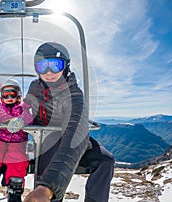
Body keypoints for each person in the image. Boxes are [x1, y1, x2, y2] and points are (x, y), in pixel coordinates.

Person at [23, 42, 115, 202]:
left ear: (65, 67)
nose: (49, 72)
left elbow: (75, 133)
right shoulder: (34, 87)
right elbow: (25, 106)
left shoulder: (73, 95)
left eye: (55, 65)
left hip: (67, 137)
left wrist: (49, 187)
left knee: (105, 160)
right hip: (46, 138)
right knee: (48, 159)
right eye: (42, 66)